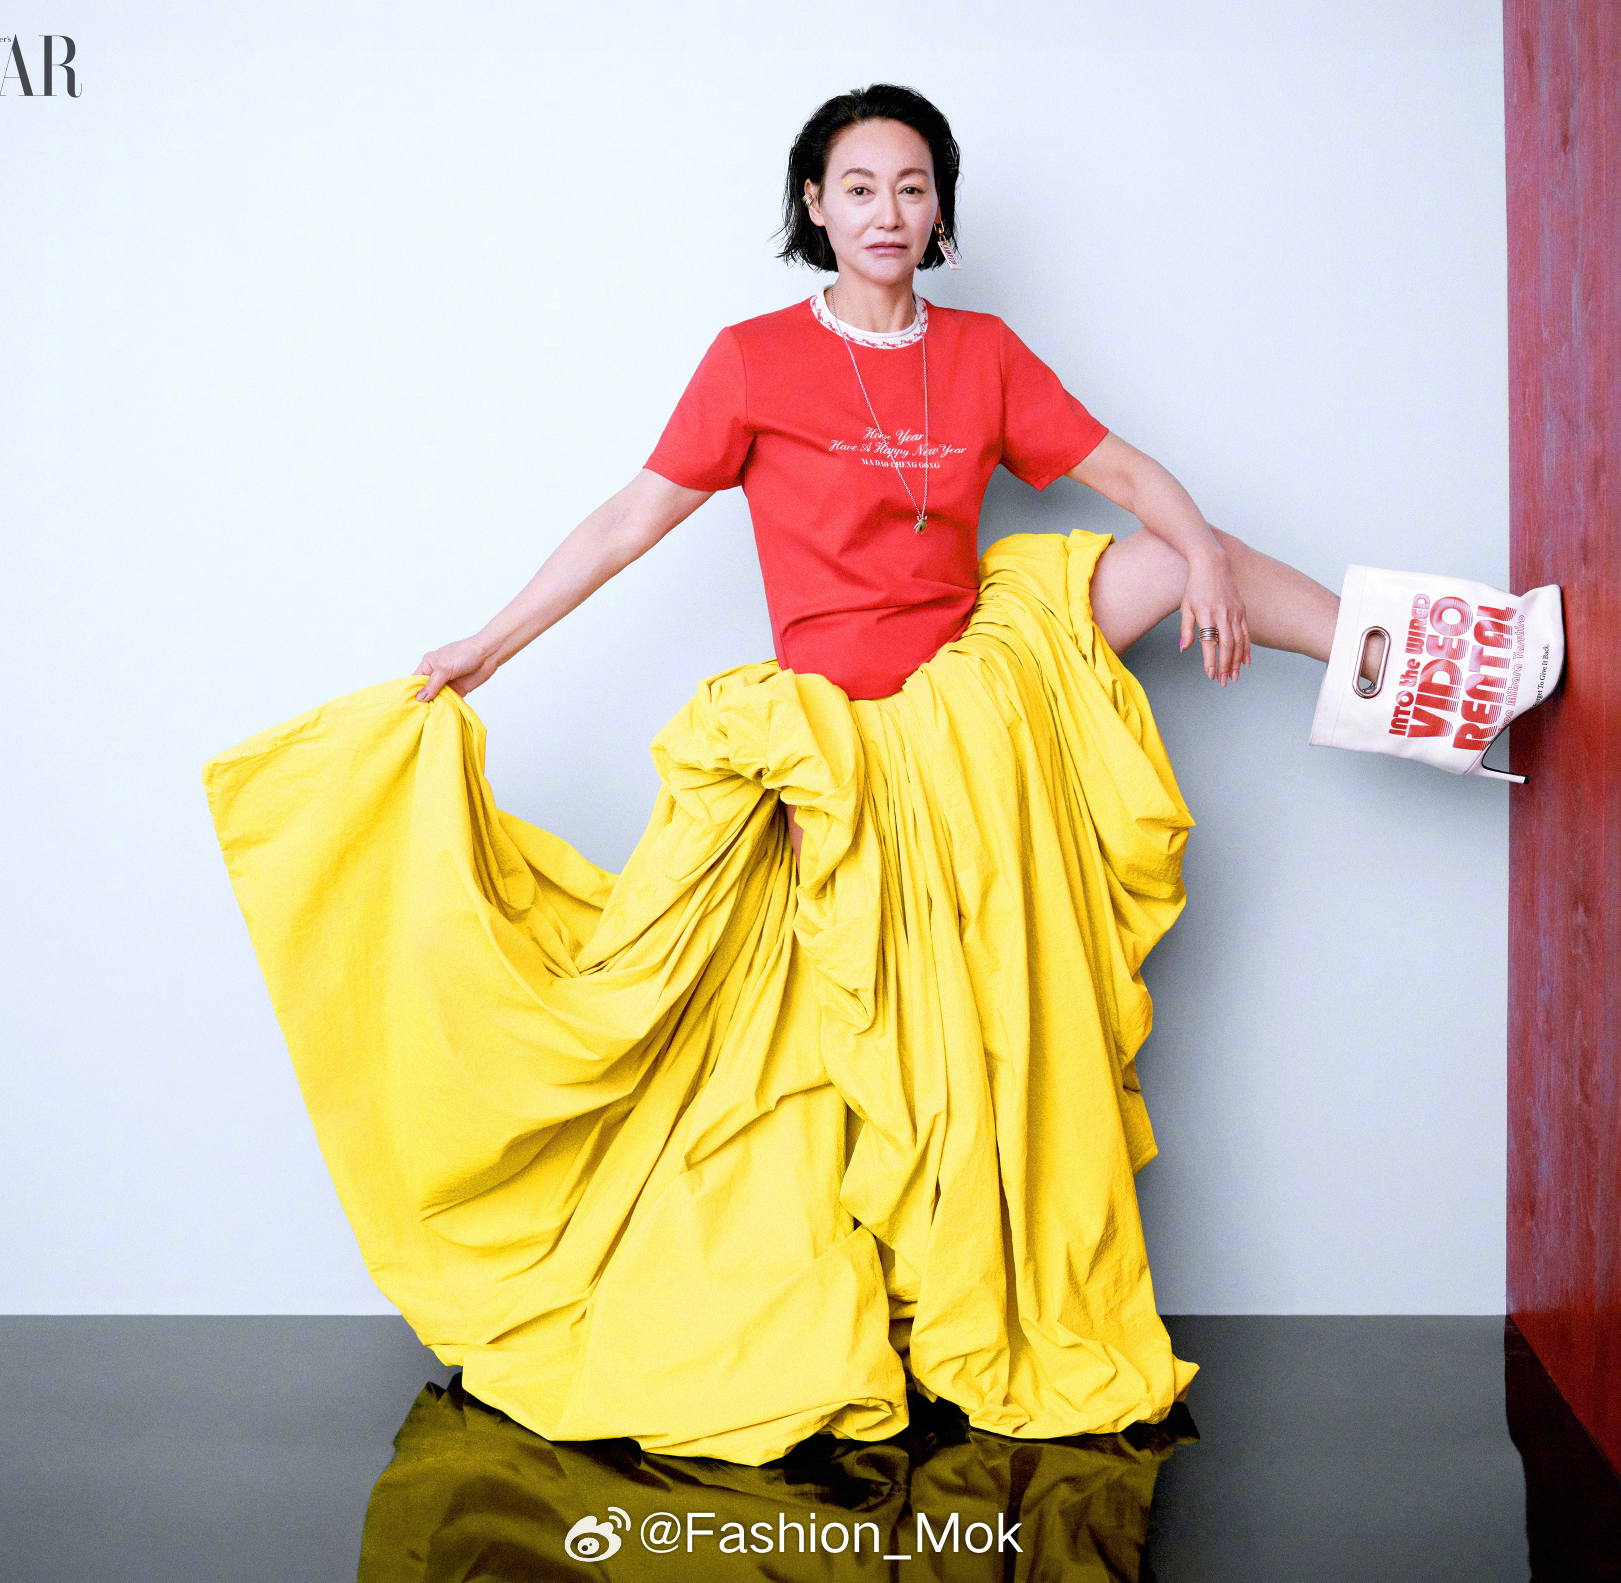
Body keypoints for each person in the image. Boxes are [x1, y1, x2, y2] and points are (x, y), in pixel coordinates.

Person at [202, 83, 1385, 1468]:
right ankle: (890, 1293)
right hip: (831, 736)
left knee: (1163, 557)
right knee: (822, 1040)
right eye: (859, 188)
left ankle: (1420, 659)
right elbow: (630, 518)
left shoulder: (984, 352)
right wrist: (489, 645)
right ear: (815, 207)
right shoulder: (756, 360)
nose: (889, 212)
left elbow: (1128, 473)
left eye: (913, 187)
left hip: (969, 701)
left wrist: (1209, 569)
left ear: (940, 210)